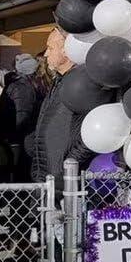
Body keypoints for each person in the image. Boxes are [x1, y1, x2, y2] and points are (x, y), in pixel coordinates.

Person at [26, 28, 94, 193]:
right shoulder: (60, 81)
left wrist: (69, 164)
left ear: (66, 50)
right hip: (45, 177)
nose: (46, 54)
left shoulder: (80, 85)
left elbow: (91, 134)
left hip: (64, 183)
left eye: (50, 48)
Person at [0, 54, 44, 183]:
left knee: (4, 179)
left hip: (6, 140)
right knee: (14, 179)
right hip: (13, 143)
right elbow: (22, 117)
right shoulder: (22, 87)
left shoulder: (15, 85)